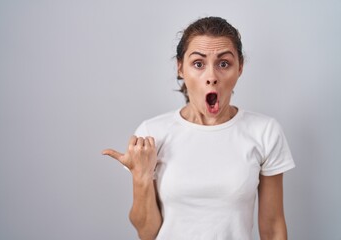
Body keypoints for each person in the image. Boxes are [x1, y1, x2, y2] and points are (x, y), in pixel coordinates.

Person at [103, 16, 295, 240]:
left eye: (224, 64)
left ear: (240, 67)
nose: (211, 77)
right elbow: (147, 233)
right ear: (180, 68)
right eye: (198, 64)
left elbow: (272, 228)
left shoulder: (265, 132)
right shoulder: (151, 133)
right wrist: (141, 176)